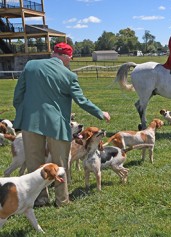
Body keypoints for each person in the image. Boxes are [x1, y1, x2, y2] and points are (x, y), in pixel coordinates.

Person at [13, 42, 111, 207]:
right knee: (60, 164)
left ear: (53, 53)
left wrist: (23, 113)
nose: (70, 60)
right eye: (70, 57)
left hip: (30, 122)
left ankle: (40, 199)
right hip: (56, 124)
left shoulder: (30, 66)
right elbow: (81, 100)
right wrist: (100, 113)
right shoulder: (69, 75)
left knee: (34, 163)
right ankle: (62, 200)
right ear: (66, 56)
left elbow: (18, 95)